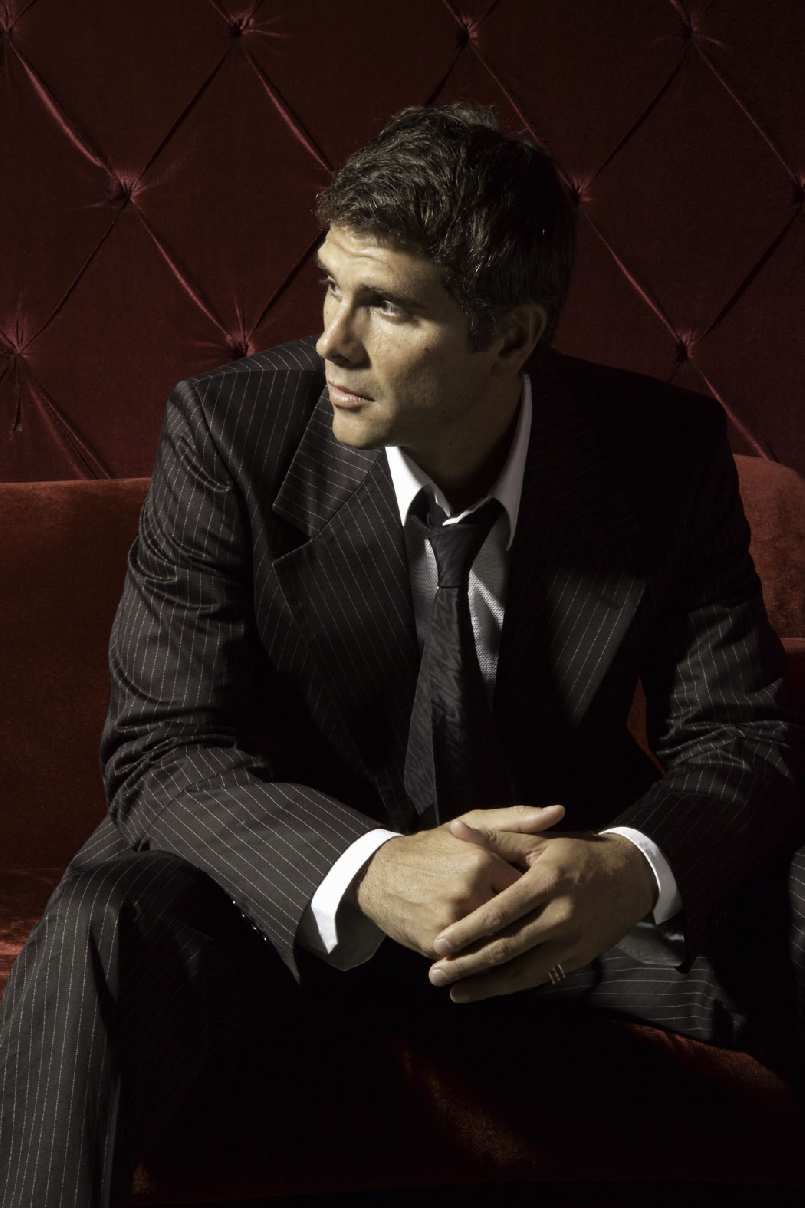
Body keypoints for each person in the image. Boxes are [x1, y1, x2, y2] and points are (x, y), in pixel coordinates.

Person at [1, 102, 803, 1207]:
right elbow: (162, 747)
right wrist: (371, 867)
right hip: (289, 895)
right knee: (103, 917)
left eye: (384, 304)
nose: (331, 340)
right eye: (331, 285)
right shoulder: (229, 432)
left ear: (509, 338)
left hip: (553, 900)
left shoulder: (658, 453)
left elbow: (740, 733)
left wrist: (627, 866)